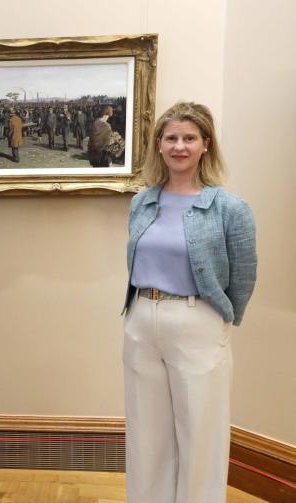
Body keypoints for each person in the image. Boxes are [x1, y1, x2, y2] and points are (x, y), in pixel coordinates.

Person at [122, 102, 257, 503]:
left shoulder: (230, 208)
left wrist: (221, 321)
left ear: (205, 145)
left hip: (198, 320)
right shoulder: (142, 202)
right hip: (142, 319)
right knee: (147, 434)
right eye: (171, 138)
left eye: (189, 138)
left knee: (201, 430)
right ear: (159, 145)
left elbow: (244, 275)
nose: (179, 146)